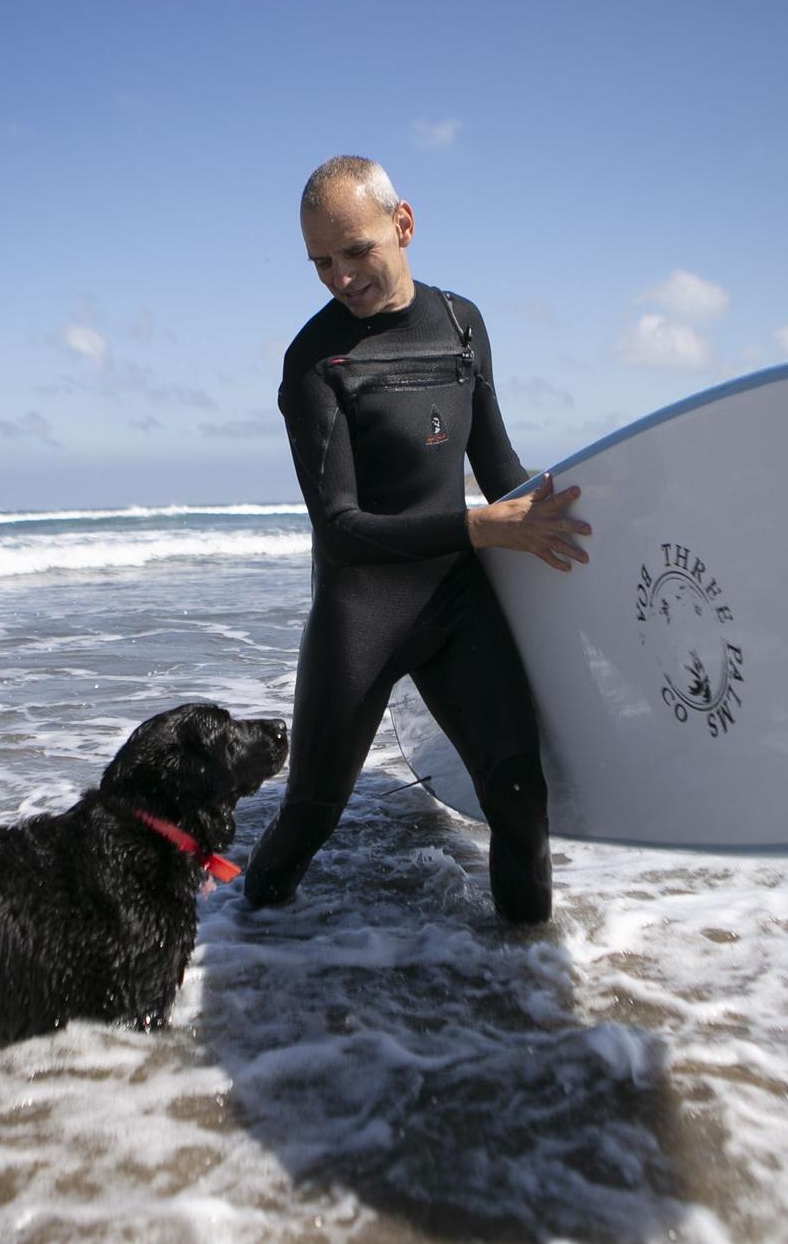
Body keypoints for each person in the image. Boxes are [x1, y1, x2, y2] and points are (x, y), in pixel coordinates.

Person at [244, 155, 591, 923]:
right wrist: (479, 526)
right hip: (361, 614)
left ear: (403, 224)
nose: (339, 276)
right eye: (321, 262)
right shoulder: (315, 361)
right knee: (309, 820)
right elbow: (339, 532)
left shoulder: (463, 324)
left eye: (355, 250)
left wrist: (601, 511)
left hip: (456, 607)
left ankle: (522, 989)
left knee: (520, 798)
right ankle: (242, 962)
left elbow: (500, 468)